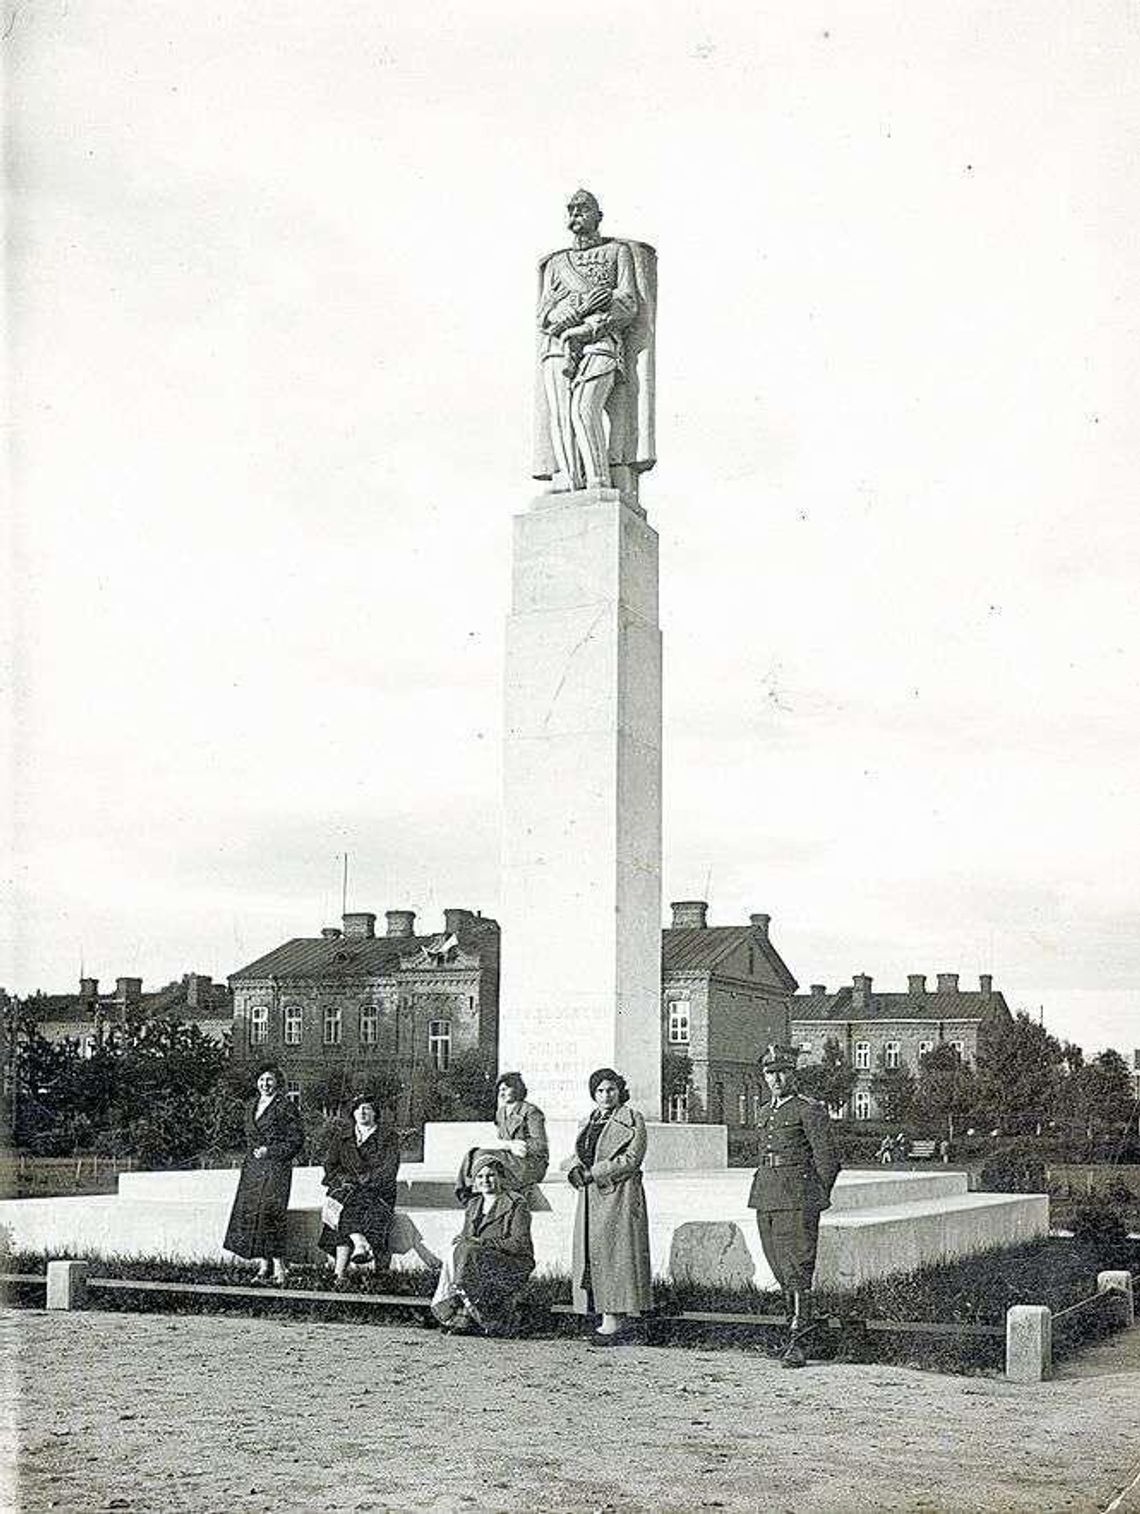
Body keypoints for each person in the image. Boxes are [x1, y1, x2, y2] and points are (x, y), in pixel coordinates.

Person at [534, 189, 656, 503]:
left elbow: (627, 303)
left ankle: (600, 479)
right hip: (558, 345)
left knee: (583, 409)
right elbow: (543, 312)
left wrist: (589, 325)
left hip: (600, 342)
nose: (576, 214)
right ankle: (570, 480)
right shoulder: (557, 264)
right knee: (561, 416)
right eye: (571, 209)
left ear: (597, 215)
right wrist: (563, 315)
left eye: (583, 208)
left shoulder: (617, 253)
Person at [748, 1045, 841, 1368]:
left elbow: (828, 1160)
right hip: (766, 1195)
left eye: (782, 1072)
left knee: (799, 1267)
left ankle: (800, 1342)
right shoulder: (763, 1111)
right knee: (778, 1265)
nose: (776, 1079)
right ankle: (791, 1330)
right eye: (770, 1073)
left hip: (798, 1198)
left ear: (793, 1073)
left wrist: (814, 1196)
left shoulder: (808, 1109)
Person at [568, 1066, 652, 1344]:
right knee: (595, 1257)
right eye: (600, 1091)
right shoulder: (589, 1121)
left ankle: (615, 1321)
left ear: (620, 1091)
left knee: (617, 1257)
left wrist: (595, 1172)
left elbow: (631, 1159)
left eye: (611, 1090)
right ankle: (605, 1316)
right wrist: (575, 1170)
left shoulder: (632, 1119)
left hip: (620, 1195)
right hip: (591, 1197)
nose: (606, 1096)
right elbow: (579, 1154)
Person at [431, 1154, 535, 1336]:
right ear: (475, 1181)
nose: (485, 1180)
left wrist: (481, 1242)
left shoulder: (516, 1203)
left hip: (512, 1263)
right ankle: (463, 1316)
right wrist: (461, 1238)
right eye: (480, 1176)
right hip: (477, 1260)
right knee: (458, 1250)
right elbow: (467, 1237)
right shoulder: (474, 1204)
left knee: (468, 1252)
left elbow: (519, 1244)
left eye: (490, 1175)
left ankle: (480, 1319)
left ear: (501, 1177)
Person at [223, 1063, 304, 1285]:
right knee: (253, 1214)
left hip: (276, 1168)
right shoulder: (251, 1105)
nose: (265, 1084)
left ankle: (280, 1268)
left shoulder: (285, 1106)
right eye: (261, 1080)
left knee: (272, 1213)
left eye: (269, 1080)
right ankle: (264, 1265)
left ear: (277, 1082)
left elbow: (296, 1140)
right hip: (253, 1169)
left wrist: (271, 1151)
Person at [318, 1096, 401, 1282]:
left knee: (345, 1208)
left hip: (377, 1193)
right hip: (347, 1190)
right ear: (353, 1113)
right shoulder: (343, 1137)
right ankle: (359, 1242)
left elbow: (389, 1169)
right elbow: (330, 1166)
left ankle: (340, 1274)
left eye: (368, 1109)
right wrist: (345, 1180)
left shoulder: (388, 1137)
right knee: (342, 1203)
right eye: (359, 1109)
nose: (362, 1112)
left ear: (375, 1113)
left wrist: (364, 1182)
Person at [455, 1071, 549, 1208]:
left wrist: (514, 1145)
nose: (502, 1093)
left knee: (482, 1155)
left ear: (517, 1089)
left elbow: (540, 1145)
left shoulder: (531, 1111)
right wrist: (506, 1146)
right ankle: (470, 1193)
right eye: (500, 1090)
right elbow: (502, 1141)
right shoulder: (501, 1112)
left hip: (531, 1164)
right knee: (473, 1153)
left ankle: (475, 1195)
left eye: (505, 1089)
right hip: (510, 1160)